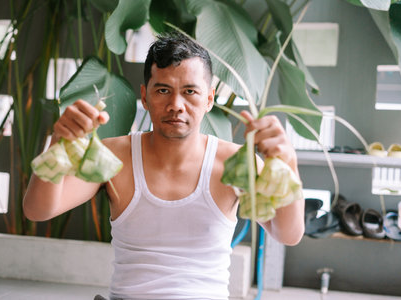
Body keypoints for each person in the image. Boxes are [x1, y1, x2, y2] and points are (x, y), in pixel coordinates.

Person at [23, 33, 304, 299]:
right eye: (163, 90)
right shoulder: (115, 156)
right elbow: (38, 210)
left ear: (209, 99)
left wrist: (287, 162)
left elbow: (288, 234)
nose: (176, 105)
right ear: (145, 97)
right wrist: (58, 144)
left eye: (190, 91)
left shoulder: (234, 162)